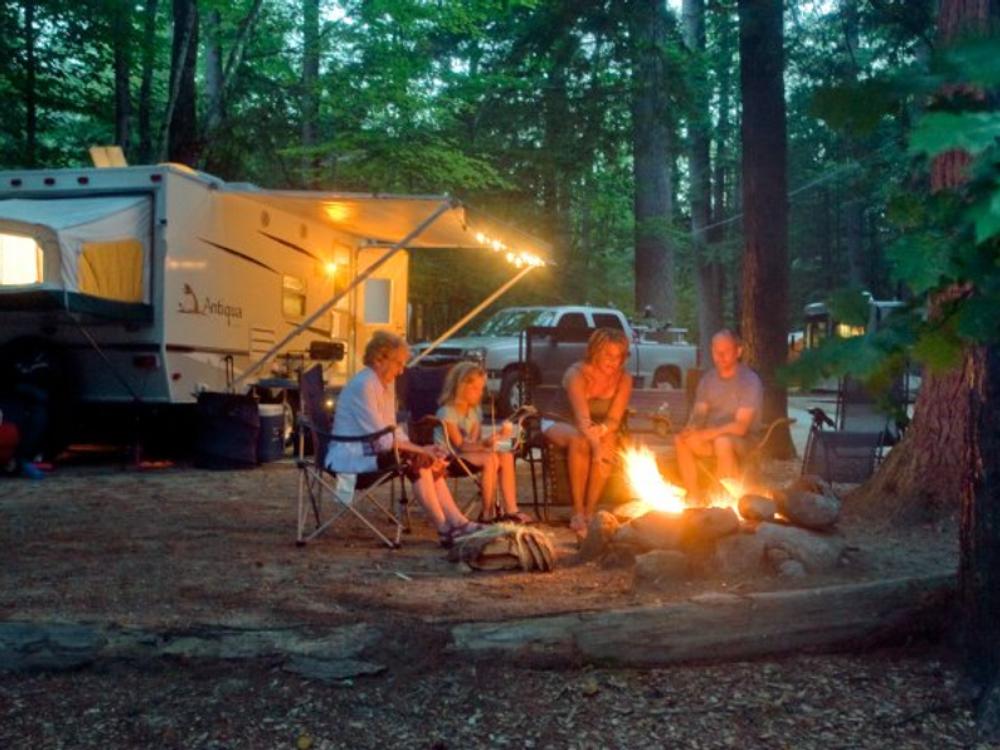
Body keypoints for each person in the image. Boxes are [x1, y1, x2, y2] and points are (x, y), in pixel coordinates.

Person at [326, 330, 482, 548]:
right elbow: (382, 438)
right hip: (353, 455)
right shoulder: (364, 385)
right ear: (380, 359)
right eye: (398, 363)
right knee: (416, 460)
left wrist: (423, 448)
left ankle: (457, 522)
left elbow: (392, 431)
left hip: (371, 448)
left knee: (423, 458)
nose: (401, 371)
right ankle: (445, 528)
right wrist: (421, 452)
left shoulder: (384, 385)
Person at [543, 327, 633, 539]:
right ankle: (577, 510)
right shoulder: (577, 374)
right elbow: (582, 421)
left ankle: (590, 511)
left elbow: (613, 419)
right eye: (608, 355)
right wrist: (597, 449)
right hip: (559, 421)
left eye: (618, 356)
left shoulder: (624, 379)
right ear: (595, 352)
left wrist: (602, 432)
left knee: (609, 438)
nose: (614, 361)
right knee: (580, 439)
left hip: (596, 426)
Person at [434, 361, 531, 524]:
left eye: (481, 388)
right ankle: (487, 513)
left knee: (505, 454)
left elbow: (474, 441)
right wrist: (485, 444)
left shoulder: (475, 411)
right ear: (461, 387)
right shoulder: (446, 412)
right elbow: (460, 445)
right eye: (475, 388)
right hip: (448, 457)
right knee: (489, 458)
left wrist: (498, 436)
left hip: (468, 454)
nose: (479, 393)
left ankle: (512, 509)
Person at [674, 329, 763, 501]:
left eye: (726, 351)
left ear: (738, 351)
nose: (720, 356)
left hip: (745, 441)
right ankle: (693, 495)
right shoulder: (708, 380)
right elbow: (700, 412)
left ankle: (727, 498)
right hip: (712, 438)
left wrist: (708, 433)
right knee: (682, 440)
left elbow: (741, 427)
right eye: (716, 351)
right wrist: (691, 427)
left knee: (722, 441)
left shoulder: (749, 381)